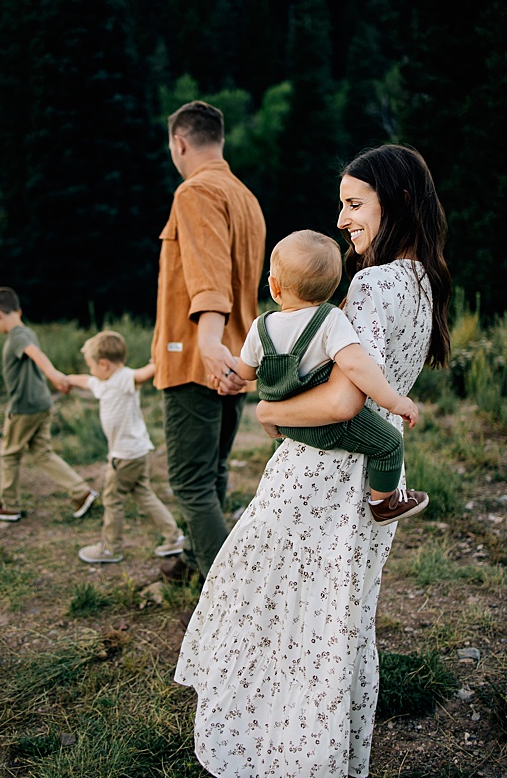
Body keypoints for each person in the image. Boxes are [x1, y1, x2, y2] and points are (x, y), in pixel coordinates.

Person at [176, 145, 452, 778]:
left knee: (279, 599)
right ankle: (313, 745)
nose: (342, 218)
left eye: (355, 204)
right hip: (373, 473)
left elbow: (343, 397)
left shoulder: (374, 283)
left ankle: (278, 744)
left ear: (400, 201)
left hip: (328, 474)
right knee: (334, 616)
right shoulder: (422, 280)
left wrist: (272, 415)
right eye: (341, 204)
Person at [234, 229, 428, 522]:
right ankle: (384, 504)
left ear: (274, 287)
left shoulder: (260, 327)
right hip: (327, 425)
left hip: (288, 425)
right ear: (333, 287)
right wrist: (394, 402)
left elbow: (246, 372)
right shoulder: (331, 320)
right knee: (389, 443)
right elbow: (357, 366)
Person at [153, 99, 265, 584]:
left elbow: (210, 278)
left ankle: (228, 595)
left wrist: (205, 342)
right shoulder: (246, 197)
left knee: (190, 481)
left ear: (180, 142)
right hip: (236, 357)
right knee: (214, 470)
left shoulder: (194, 192)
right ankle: (200, 564)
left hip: (200, 357)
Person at [62, 329, 185, 566]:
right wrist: (67, 379)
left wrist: (160, 358)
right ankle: (175, 536)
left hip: (126, 455)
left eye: (92, 366)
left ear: (104, 364)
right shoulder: (104, 382)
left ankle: (111, 547)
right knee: (144, 494)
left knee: (112, 498)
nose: (91, 372)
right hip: (137, 452)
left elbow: (143, 374)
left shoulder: (123, 378)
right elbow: (86, 381)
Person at [0, 286, 97, 523]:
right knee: (42, 452)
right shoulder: (28, 332)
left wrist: (55, 375)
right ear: (19, 310)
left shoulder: (17, 336)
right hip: (42, 404)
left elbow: (35, 354)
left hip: (24, 407)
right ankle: (81, 491)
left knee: (10, 454)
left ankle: (10, 505)